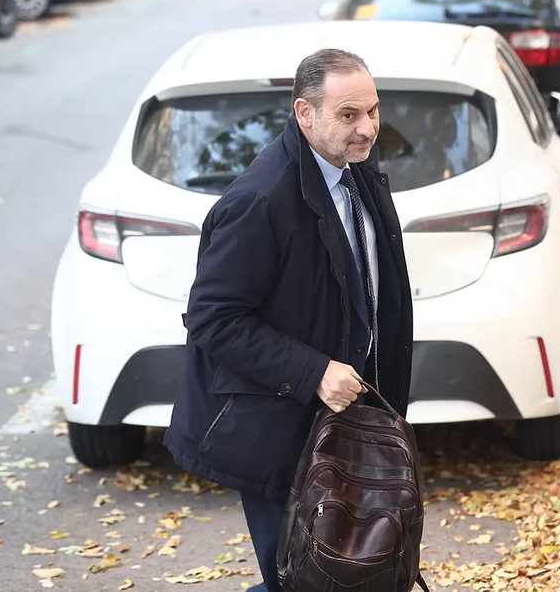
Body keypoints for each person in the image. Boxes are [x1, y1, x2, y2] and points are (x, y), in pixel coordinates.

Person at [164, 48, 415, 592]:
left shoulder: (357, 172)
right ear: (305, 113)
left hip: (349, 425)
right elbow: (212, 319)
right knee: (302, 581)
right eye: (348, 115)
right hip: (278, 434)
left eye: (373, 110)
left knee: (348, 577)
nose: (368, 127)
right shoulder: (260, 200)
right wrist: (314, 371)